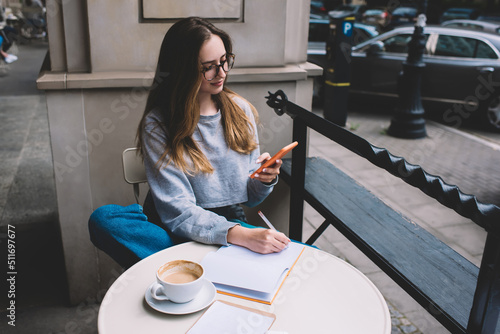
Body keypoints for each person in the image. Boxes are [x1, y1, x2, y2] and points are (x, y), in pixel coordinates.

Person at [89, 17, 290, 268]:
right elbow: (178, 212)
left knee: (299, 253)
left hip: (227, 221)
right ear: (182, 71)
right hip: (171, 223)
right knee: (104, 219)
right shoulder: (158, 124)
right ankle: (208, 263)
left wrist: (265, 179)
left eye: (224, 61)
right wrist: (241, 236)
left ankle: (187, 264)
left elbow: (249, 197)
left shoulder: (241, 111)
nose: (222, 73)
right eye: (208, 67)